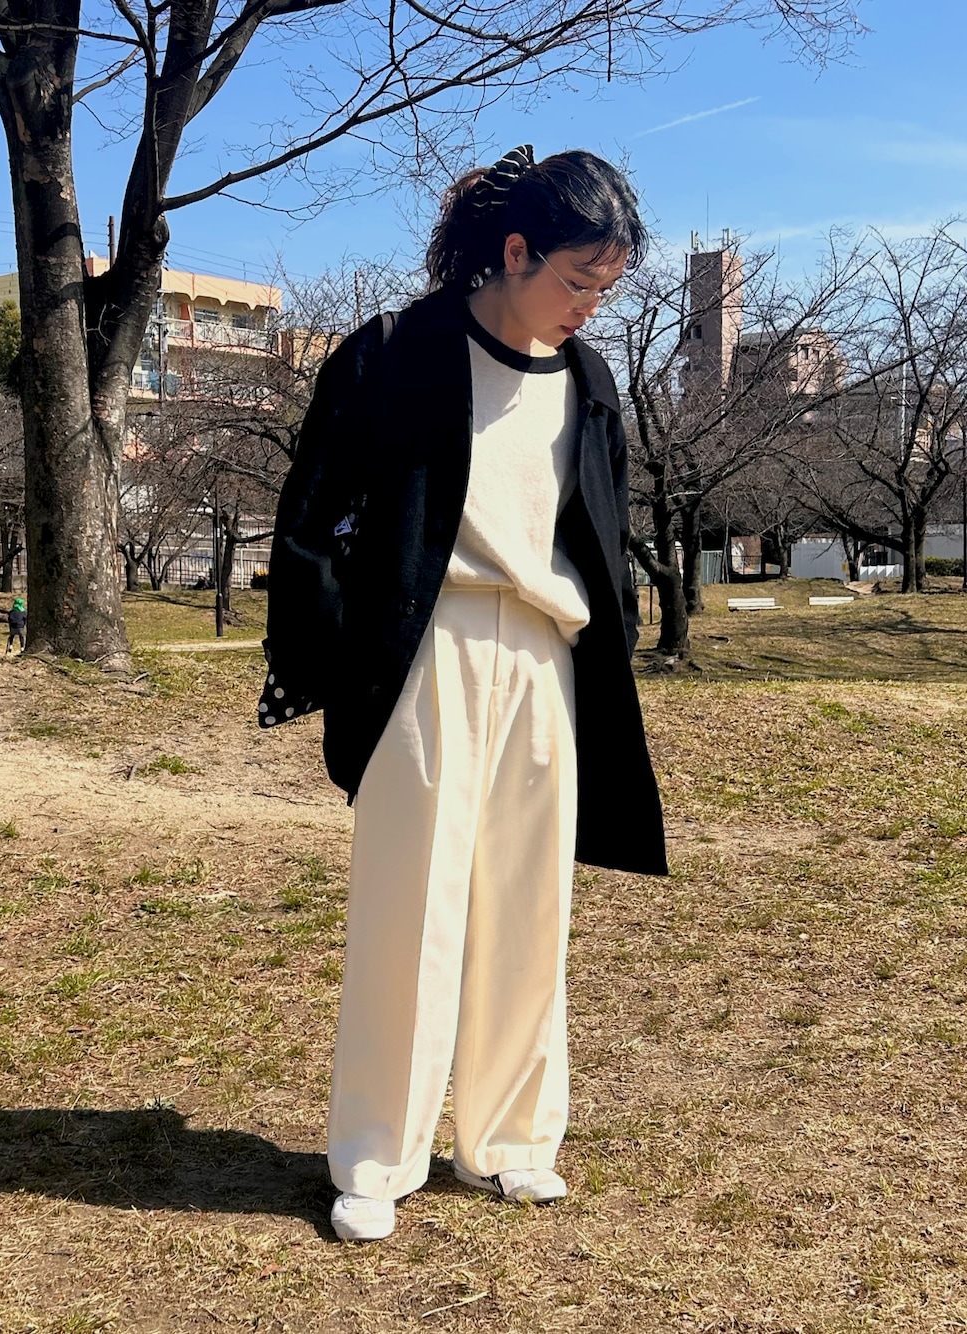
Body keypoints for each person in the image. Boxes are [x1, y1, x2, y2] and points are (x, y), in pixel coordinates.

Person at [260, 145, 668, 1242]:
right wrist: (343, 660)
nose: (588, 306)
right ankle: (375, 1156)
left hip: (544, 656)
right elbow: (310, 521)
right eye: (576, 280)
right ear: (514, 250)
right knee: (411, 907)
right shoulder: (395, 351)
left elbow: (600, 532)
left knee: (531, 907)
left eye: (606, 288)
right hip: (423, 649)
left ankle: (512, 1141)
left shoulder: (588, 382)